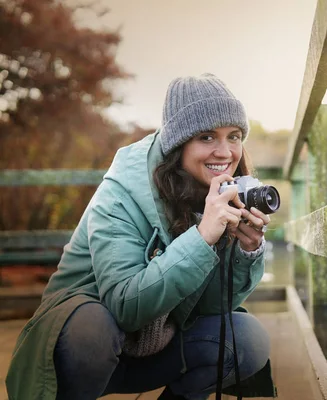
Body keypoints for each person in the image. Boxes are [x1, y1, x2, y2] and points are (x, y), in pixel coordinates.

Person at [6, 74, 277, 399]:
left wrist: (245, 252)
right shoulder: (120, 193)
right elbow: (124, 306)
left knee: (246, 338)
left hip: (161, 348)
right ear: (179, 143)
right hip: (82, 351)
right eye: (207, 137)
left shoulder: (217, 194)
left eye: (234, 136)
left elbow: (207, 309)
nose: (224, 152)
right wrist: (203, 235)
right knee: (93, 326)